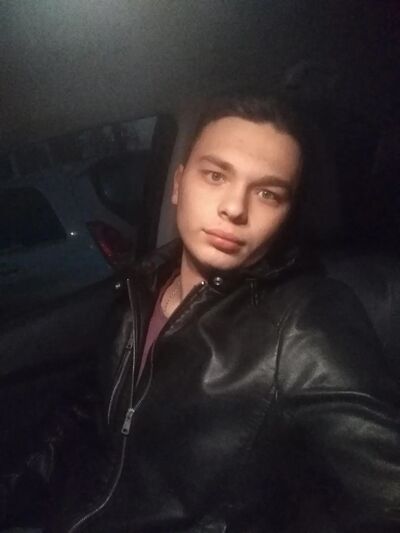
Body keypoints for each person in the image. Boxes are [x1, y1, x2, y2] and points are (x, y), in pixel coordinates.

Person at [3, 94, 400, 533]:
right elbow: (87, 411)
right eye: (215, 175)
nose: (235, 208)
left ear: (286, 215)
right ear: (178, 185)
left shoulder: (305, 321)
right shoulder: (143, 283)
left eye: (267, 193)